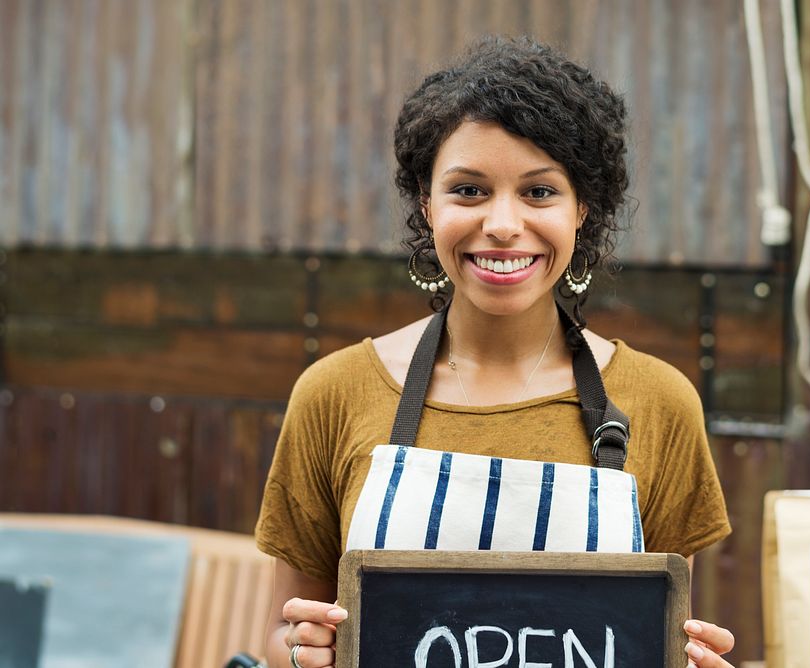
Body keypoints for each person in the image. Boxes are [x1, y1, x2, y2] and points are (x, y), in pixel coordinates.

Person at [255, 36, 736, 668]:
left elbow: (656, 634)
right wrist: (298, 653)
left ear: (582, 211)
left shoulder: (660, 403)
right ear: (427, 206)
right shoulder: (334, 393)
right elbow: (278, 637)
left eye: (539, 192)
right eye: (469, 190)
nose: (504, 224)